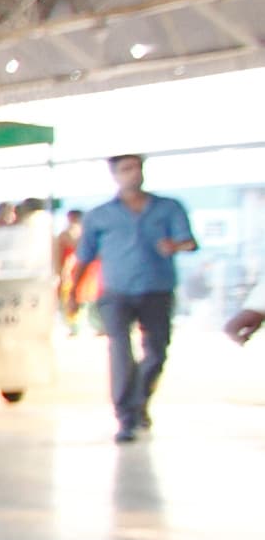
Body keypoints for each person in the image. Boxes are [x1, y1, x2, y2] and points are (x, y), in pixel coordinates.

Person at [67, 152, 196, 441]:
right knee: (120, 350)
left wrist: (174, 246)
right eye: (126, 169)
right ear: (115, 175)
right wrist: (73, 293)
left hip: (157, 289)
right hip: (116, 293)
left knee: (156, 352)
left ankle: (139, 401)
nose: (134, 173)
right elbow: (84, 257)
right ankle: (126, 416)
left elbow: (189, 242)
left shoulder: (169, 208)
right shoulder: (100, 215)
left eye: (138, 168)